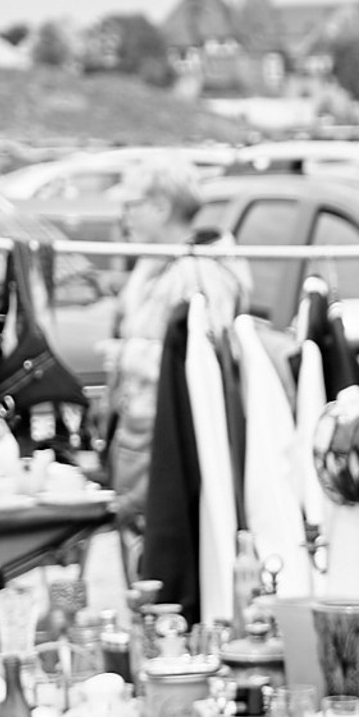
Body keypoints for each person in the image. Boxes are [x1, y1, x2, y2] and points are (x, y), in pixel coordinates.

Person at [99, 170, 250, 532]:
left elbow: (205, 359)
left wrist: (126, 356)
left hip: (172, 443)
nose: (124, 217)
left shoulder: (198, 271)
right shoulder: (160, 263)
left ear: (161, 207)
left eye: (131, 205)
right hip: (145, 437)